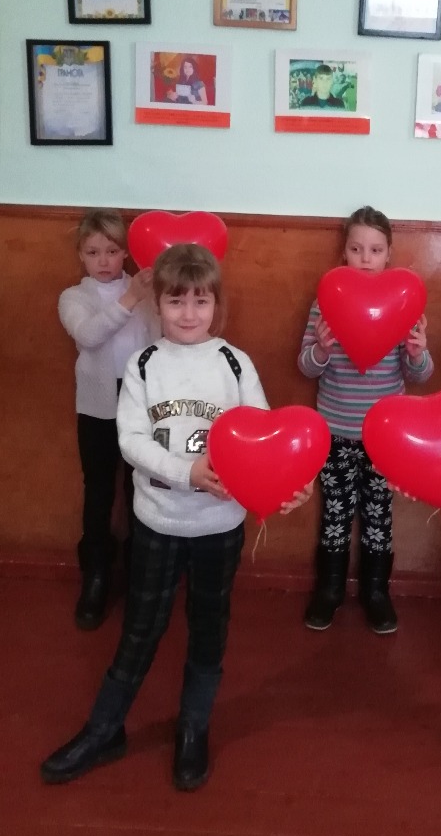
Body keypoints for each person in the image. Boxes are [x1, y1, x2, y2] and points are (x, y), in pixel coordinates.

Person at [42, 244, 309, 790]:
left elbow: (265, 438)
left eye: (200, 301)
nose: (188, 313)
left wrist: (286, 484)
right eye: (176, 301)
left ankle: (193, 728)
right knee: (141, 629)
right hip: (159, 521)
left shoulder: (234, 364)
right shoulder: (144, 365)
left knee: (209, 628)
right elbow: (131, 440)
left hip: (219, 527)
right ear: (157, 304)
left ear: (216, 305)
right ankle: (104, 729)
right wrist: (187, 473)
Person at [298, 206, 433, 634]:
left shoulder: (403, 302)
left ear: (389, 253)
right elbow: (305, 366)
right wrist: (321, 349)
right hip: (335, 431)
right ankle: (330, 589)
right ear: (344, 252)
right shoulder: (325, 302)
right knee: (335, 513)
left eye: (375, 250)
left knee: (378, 514)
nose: (365, 258)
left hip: (385, 438)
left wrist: (417, 353)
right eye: (356, 249)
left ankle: (376, 591)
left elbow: (420, 375)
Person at [57, 211, 155, 629]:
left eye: (112, 251)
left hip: (140, 407)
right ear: (80, 255)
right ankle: (96, 575)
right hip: (96, 407)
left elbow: (158, 345)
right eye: (93, 252)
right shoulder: (73, 297)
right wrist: (129, 298)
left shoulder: (147, 293)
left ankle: (139, 575)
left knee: (141, 489)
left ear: (126, 253)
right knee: (98, 490)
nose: (103, 260)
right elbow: (89, 335)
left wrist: (141, 296)